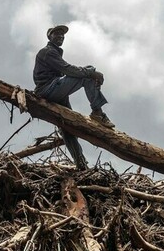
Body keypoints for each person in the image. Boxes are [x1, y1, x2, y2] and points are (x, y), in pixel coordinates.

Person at [33, 24, 115, 170]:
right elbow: (67, 69)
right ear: (49, 36)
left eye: (62, 34)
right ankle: (97, 112)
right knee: (87, 75)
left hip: (54, 91)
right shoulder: (47, 52)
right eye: (57, 33)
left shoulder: (54, 52)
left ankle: (80, 163)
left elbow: (66, 71)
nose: (61, 36)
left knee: (67, 127)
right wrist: (91, 72)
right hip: (47, 90)